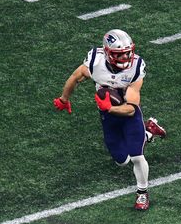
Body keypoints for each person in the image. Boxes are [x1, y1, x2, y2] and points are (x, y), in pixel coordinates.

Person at [53, 29, 167, 210]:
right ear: (107, 52)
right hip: (108, 117)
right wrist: (63, 99)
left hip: (129, 115)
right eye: (119, 54)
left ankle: (142, 194)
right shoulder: (95, 62)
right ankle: (148, 132)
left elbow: (131, 109)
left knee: (137, 156)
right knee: (122, 160)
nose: (126, 58)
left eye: (128, 53)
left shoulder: (136, 67)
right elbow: (76, 77)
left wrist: (111, 107)